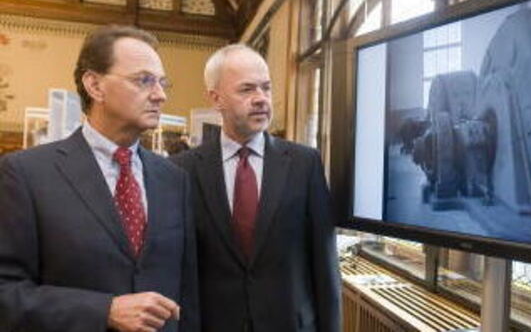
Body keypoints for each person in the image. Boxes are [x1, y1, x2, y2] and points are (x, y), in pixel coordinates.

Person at [0, 25, 199, 332]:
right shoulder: (27, 174)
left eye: (162, 83)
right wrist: (103, 311)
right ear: (94, 85)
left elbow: (187, 293)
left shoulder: (174, 179)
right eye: (144, 80)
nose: (160, 95)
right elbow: (7, 291)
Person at [171, 44, 341, 332]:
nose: (261, 99)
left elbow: (325, 266)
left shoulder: (304, 163)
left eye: (266, 88)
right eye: (247, 90)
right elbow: (179, 268)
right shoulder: (182, 171)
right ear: (216, 99)